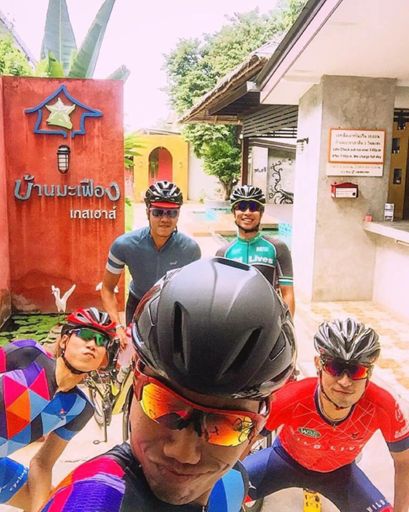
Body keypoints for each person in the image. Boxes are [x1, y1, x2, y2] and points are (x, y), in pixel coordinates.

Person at [40, 257, 296, 511]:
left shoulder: (234, 482)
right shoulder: (91, 499)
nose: (183, 453)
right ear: (134, 386)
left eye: (226, 425)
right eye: (162, 404)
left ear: (255, 432)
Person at [243, 318, 409, 512]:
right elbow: (242, 445)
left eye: (356, 370)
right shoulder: (290, 398)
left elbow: (404, 461)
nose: (345, 382)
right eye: (335, 367)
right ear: (318, 364)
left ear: (369, 373)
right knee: (219, 493)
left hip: (340, 473)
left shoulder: (384, 405)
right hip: (284, 460)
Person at [0, 307, 119, 512]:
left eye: (101, 341)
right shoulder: (28, 355)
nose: (92, 344)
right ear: (64, 341)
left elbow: (43, 464)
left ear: (103, 360)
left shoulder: (79, 408)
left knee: (54, 505)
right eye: (85, 335)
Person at [101, 180, 201, 348]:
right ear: (148, 212)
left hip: (171, 308)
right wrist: (117, 326)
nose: (164, 219)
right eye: (158, 212)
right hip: (137, 305)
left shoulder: (190, 249)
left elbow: (195, 294)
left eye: (172, 213)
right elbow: (107, 289)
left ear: (178, 215)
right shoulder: (124, 245)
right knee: (134, 354)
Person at [216, 185, 295, 316]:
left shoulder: (277, 248)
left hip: (268, 320)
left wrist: (288, 325)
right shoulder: (223, 253)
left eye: (253, 207)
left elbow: (287, 292)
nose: (247, 212)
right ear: (234, 212)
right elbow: (221, 295)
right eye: (242, 207)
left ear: (261, 212)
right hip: (236, 320)